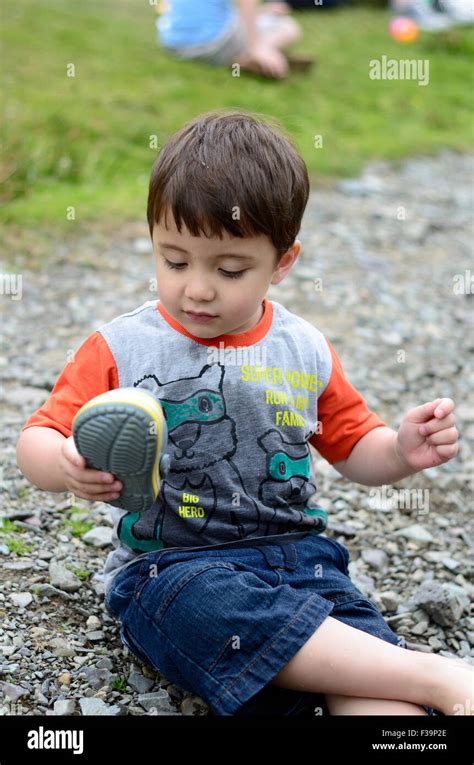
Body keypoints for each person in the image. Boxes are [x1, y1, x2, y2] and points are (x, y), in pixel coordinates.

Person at [17, 109, 472, 717]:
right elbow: (36, 439)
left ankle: (417, 681)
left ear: (283, 261)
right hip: (174, 566)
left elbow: (354, 444)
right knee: (201, 610)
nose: (197, 288)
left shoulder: (303, 349)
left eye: (229, 270)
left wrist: (399, 452)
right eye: (174, 261)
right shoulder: (123, 347)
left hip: (303, 565)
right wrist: (64, 464)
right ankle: (436, 676)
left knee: (370, 684)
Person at [155, 0, 314, 79]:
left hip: (173, 42)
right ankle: (255, 54)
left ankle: (240, 58)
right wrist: (256, 47)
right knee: (288, 27)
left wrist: (262, 11)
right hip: (214, 44)